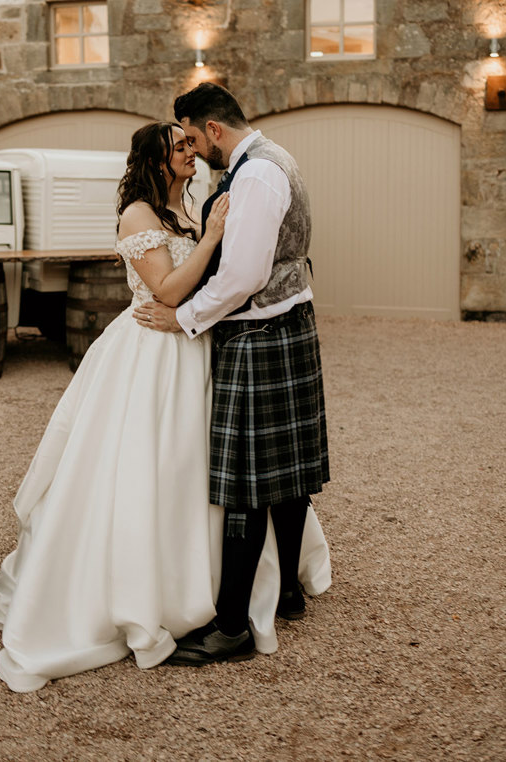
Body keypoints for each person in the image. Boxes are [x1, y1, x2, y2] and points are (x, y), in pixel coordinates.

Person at [0, 121, 330, 692]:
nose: (192, 151)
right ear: (156, 160)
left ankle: (235, 582)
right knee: (152, 464)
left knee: (208, 465)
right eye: (181, 146)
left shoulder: (190, 209)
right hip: (153, 353)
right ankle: (148, 589)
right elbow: (165, 291)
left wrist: (208, 230)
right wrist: (212, 237)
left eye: (193, 142)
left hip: (196, 347)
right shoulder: (138, 215)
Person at [133, 83, 330, 667]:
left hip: (260, 332)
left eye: (193, 138)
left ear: (212, 129)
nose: (194, 151)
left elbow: (242, 275)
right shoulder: (266, 162)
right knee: (288, 472)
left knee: (247, 480)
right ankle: (288, 590)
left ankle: (232, 626)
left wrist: (183, 317)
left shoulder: (257, 175)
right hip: (285, 325)